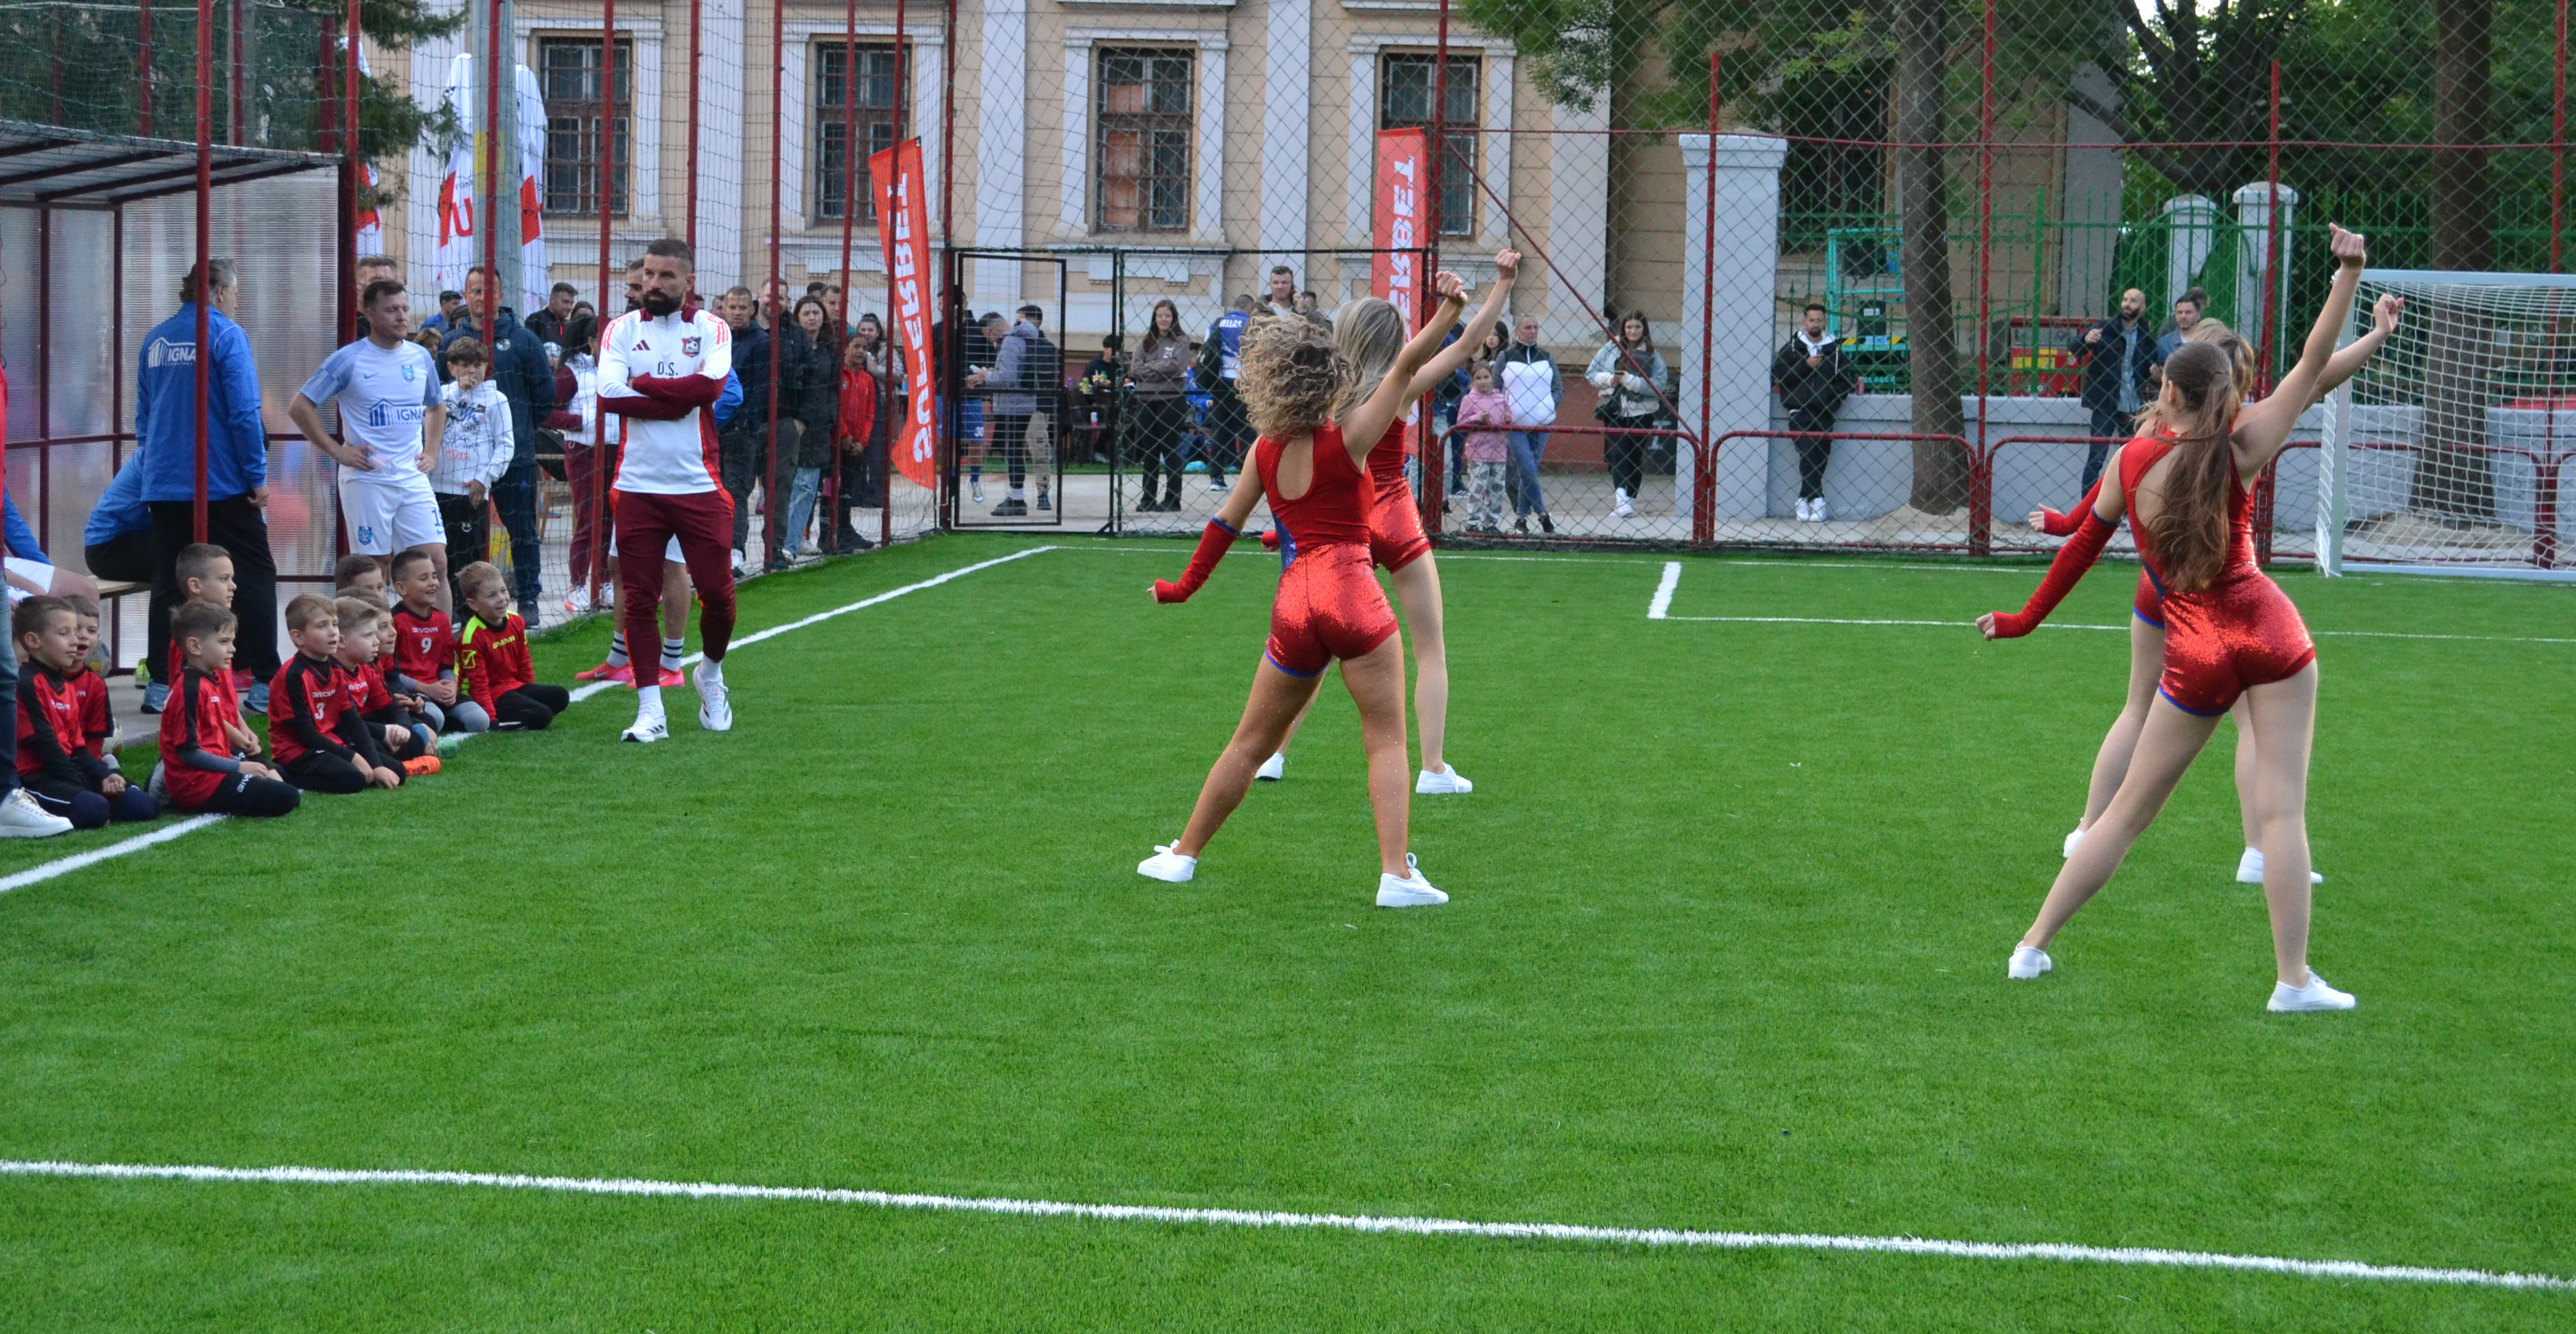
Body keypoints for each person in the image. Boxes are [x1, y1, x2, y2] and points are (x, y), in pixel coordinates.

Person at [1978, 224, 2386, 1014]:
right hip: (2268, 630)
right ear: (2225, 394)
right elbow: (2312, 366)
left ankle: (2032, 945)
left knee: (2125, 816)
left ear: (2167, 389)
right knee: (2282, 809)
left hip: (2193, 646)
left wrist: (2026, 619)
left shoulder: (2132, 459)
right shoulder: (2242, 445)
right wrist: (2349, 274)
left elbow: (2081, 548)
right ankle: (2292, 981)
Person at [1138, 274, 1481, 907]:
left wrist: (1182, 588)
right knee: (1385, 740)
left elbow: (1223, 526)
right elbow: (1407, 365)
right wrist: (1450, 309)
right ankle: (1395, 875)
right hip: (1353, 597)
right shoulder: (1352, 437)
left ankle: (1182, 855)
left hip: (1295, 604)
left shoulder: (1263, 450)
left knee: (1248, 744)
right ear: (1332, 380)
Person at [1250, 253, 1521, 793]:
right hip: (1393, 513)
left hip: (1342, 524)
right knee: (1429, 648)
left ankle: (1271, 755)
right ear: (1395, 340)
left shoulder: (1320, 397)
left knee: (1312, 648)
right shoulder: (1400, 384)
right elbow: (1469, 344)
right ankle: (1432, 768)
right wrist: (1503, 283)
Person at [595, 238, 738, 744]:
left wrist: (645, 385)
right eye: (649, 275)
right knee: (638, 599)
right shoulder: (620, 329)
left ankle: (710, 675)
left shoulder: (711, 328)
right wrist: (678, 400)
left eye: (666, 276)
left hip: (699, 484)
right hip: (636, 486)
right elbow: (608, 395)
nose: (653, 284)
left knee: (718, 595)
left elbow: (710, 388)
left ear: (688, 282)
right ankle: (650, 710)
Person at [136, 259, 281, 714]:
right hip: (221, 481)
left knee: (171, 580)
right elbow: (244, 413)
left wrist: (155, 466)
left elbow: (144, 417)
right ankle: (265, 679)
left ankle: (161, 683)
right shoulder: (226, 335)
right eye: (235, 294)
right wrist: (256, 477)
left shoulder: (156, 339)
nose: (237, 302)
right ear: (219, 293)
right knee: (252, 574)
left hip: (164, 481)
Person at [291, 280, 450, 605]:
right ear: (370, 314)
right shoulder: (348, 360)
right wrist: (338, 451)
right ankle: (371, 636)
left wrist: (431, 452)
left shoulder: (420, 357)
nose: (402, 317)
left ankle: (439, 638)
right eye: (391, 310)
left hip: (411, 475)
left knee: (436, 562)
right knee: (374, 568)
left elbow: (436, 407)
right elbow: (300, 406)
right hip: (368, 479)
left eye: (405, 309)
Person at [440, 267, 556, 613]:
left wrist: (517, 428)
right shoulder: (449, 342)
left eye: (489, 290)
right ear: (466, 296)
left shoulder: (524, 340)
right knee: (460, 537)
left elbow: (545, 395)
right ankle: (461, 604)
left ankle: (529, 597)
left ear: (501, 296)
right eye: (475, 291)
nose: (482, 297)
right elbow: (437, 397)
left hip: (514, 459)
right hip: (461, 467)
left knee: (521, 530)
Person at [14, 596, 156, 828]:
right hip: (36, 777)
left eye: (76, 632)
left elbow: (77, 747)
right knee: (94, 808)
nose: (75, 640)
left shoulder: (66, 686)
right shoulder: (25, 682)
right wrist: (83, 786)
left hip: (69, 769)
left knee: (143, 805)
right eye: (65, 633)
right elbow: (45, 746)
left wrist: (104, 775)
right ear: (34, 641)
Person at [154, 601, 299, 818]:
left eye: (232, 641)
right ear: (195, 647)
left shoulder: (206, 681)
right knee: (286, 796)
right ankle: (170, 791)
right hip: (197, 784)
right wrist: (238, 767)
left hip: (215, 771)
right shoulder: (189, 689)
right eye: (224, 642)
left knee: (280, 776)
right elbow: (189, 753)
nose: (233, 649)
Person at [268, 592, 404, 794]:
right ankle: (286, 775)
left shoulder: (336, 671)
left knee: (397, 770)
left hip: (330, 743)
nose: (333, 632)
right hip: (297, 750)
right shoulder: (293, 675)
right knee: (354, 779)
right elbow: (305, 734)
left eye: (335, 624)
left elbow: (353, 721)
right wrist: (353, 757)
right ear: (298, 637)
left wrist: (376, 765)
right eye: (323, 626)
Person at [430, 336, 514, 589]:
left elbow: (506, 445)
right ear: (451, 368)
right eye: (464, 365)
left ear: (486, 367)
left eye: (477, 365)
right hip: (435, 488)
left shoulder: (496, 399)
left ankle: (468, 609)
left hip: (470, 491)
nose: (472, 371)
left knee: (468, 561)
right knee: (438, 559)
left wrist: (484, 479)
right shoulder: (441, 396)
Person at [454, 561, 569, 731]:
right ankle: (503, 722)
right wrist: (491, 719)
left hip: (512, 687)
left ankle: (522, 711)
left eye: (503, 591)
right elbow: (478, 684)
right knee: (542, 716)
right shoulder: (472, 637)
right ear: (473, 604)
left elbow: (524, 661)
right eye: (492, 595)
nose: (501, 599)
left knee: (560, 695)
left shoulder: (515, 621)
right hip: (490, 695)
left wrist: (528, 690)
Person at [773, 295, 842, 568]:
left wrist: (830, 417)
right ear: (797, 317)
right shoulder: (789, 346)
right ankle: (781, 542)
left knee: (807, 487)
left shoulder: (830, 350)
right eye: (806, 313)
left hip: (819, 427)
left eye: (816, 313)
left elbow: (832, 389)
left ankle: (790, 544)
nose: (812, 318)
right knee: (787, 486)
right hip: (791, 423)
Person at [2071, 288, 2162, 493]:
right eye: (2125, 299)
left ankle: (2127, 505)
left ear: (2142, 308)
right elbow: (2075, 349)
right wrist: (2085, 339)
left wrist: (2156, 376)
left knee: (2133, 459)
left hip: (2133, 406)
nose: (2128, 304)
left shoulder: (2146, 337)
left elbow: (2150, 369)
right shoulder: (2104, 329)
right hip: (2105, 404)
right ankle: (2086, 506)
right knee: (2096, 459)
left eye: (2134, 301)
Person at [1772, 302, 1856, 523]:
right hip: (1799, 411)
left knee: (1821, 456)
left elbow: (1845, 381)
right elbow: (1781, 376)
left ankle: (1805, 498)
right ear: (1804, 321)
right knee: (1808, 452)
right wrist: (1806, 366)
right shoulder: (1792, 349)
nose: (1815, 324)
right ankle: (1817, 499)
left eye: (1819, 320)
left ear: (1824, 322)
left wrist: (1830, 399)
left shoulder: (1835, 351)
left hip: (1825, 412)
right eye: (1811, 320)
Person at [388, 548, 487, 734]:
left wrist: (451, 685)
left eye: (434, 576)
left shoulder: (441, 620)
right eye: (424, 578)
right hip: (411, 690)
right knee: (436, 719)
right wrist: (426, 688)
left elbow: (446, 664)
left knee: (480, 721)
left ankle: (443, 716)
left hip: (437, 688)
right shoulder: (394, 621)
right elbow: (390, 674)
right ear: (402, 588)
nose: (433, 583)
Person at [332, 595, 438, 767]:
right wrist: (384, 731)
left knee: (418, 733)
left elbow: (391, 706)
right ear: (342, 641)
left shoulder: (365, 668)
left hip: (368, 727)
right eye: (369, 635)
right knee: (375, 748)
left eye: (376, 634)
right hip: (347, 734)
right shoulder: (331, 673)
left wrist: (402, 730)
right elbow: (341, 724)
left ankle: (392, 759)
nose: (376, 642)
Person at [970, 304, 1052, 516]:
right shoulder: (1025, 338)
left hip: (1013, 404)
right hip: (1024, 401)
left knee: (1013, 451)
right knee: (1014, 450)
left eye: (988, 335)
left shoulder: (1009, 342)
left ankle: (1017, 500)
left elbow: (1007, 379)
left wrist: (986, 376)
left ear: (995, 329)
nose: (990, 340)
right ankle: (1016, 497)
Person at [1587, 313, 1668, 520]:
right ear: (1623, 328)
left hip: (1642, 413)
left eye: (1637, 327)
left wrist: (1632, 381)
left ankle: (1629, 502)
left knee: (1634, 457)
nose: (1633, 331)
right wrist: (1610, 379)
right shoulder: (1610, 349)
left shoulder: (1652, 355)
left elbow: (1659, 385)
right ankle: (1621, 501)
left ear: (1644, 329)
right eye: (1629, 327)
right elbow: (1591, 374)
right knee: (1618, 454)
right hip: (1614, 411)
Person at [716, 285, 775, 564]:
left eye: (742, 308)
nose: (737, 313)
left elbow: (762, 388)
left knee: (735, 492)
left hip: (740, 432)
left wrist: (744, 421)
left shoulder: (761, 343)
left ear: (753, 310)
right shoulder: (719, 338)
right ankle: (714, 549)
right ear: (724, 309)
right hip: (714, 428)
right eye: (732, 307)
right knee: (711, 493)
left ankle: (735, 551)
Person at [1496, 314, 1561, 533]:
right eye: (1528, 328)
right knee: (1527, 467)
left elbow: (1558, 388)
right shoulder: (1506, 357)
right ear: (1517, 331)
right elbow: (1496, 387)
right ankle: (1543, 515)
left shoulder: (1547, 357)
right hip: (1515, 424)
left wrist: (1550, 405)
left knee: (1529, 469)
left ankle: (1520, 518)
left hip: (1543, 423)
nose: (1533, 331)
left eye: (1535, 327)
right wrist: (1502, 411)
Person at [1127, 299, 1194, 513]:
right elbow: (1135, 368)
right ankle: (1148, 498)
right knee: (1150, 450)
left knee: (1169, 448)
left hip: (1171, 400)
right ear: (1154, 318)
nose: (1163, 320)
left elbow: (1177, 366)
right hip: (1146, 401)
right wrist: (1160, 370)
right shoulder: (1146, 341)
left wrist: (1150, 367)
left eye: (1167, 316)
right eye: (1159, 316)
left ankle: (1172, 499)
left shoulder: (1181, 341)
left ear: (1173, 318)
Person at [1195, 295, 1257, 496]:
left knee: (1221, 430)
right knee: (1247, 431)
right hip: (1243, 381)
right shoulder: (1250, 324)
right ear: (1250, 307)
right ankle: (1250, 479)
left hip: (1220, 382)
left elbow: (1207, 349)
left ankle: (1217, 478)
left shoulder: (1217, 324)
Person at [832, 335, 882, 551]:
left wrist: (862, 441)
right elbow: (835, 407)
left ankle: (845, 530)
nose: (861, 352)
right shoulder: (837, 375)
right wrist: (844, 435)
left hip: (856, 446)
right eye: (856, 347)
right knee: (831, 489)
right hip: (837, 443)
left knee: (848, 490)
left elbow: (870, 413)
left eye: (864, 348)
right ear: (845, 349)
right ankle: (829, 534)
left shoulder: (867, 379)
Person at [81, 448, 155, 589]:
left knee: (183, 550)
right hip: (108, 548)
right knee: (177, 555)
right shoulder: (154, 458)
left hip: (128, 538)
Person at [1453, 363, 1513, 532]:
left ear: (1492, 378)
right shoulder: (1469, 399)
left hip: (1499, 451)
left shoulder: (1500, 398)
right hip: (1478, 451)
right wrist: (1478, 417)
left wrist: (1508, 418)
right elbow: (1461, 424)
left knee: (1497, 489)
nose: (1483, 381)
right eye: (1478, 378)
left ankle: (1491, 523)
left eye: (1486, 377)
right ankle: (1473, 522)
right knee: (1478, 489)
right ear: (1473, 381)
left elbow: (1508, 416)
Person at [526, 280, 595, 355]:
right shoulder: (536, 319)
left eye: (572, 303)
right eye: (566, 302)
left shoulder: (570, 326)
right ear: (553, 300)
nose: (570, 307)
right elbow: (529, 349)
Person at [352, 255, 400, 339]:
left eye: (389, 282)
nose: (384, 286)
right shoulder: (345, 325)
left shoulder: (396, 323)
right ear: (357, 285)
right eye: (377, 280)